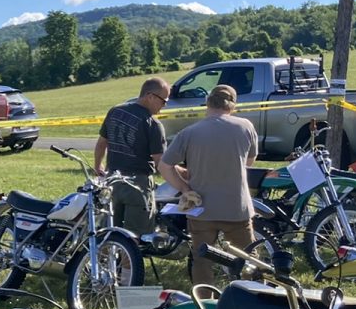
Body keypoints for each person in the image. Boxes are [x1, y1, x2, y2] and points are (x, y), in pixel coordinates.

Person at [157, 83, 260, 286]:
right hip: (236, 207)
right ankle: (253, 297)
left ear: (207, 103)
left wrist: (185, 188)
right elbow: (249, 162)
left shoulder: (189, 132)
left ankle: (205, 302)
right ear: (232, 105)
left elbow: (165, 166)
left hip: (202, 209)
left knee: (202, 261)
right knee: (249, 260)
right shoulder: (246, 126)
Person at [94, 76, 170, 234]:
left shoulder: (115, 111)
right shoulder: (153, 124)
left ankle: (107, 259)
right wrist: (184, 178)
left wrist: (97, 165)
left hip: (112, 181)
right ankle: (129, 259)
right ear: (150, 96)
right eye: (164, 101)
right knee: (135, 237)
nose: (164, 106)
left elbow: (102, 143)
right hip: (138, 185)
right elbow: (160, 163)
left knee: (109, 232)